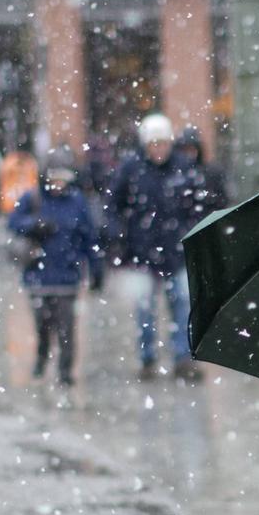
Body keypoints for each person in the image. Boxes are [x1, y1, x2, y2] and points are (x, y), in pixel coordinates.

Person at [111, 112, 196, 381]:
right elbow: (114, 206)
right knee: (145, 310)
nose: (159, 149)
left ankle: (182, 358)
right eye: (154, 144)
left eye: (163, 143)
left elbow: (196, 207)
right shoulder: (131, 169)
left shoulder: (183, 168)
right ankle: (147, 358)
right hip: (143, 253)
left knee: (181, 306)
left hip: (176, 252)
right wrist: (120, 237)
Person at [7, 164, 103, 395]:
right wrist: (34, 225)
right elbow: (13, 223)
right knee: (42, 325)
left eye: (63, 180)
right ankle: (41, 361)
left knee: (66, 328)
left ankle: (65, 372)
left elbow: (89, 237)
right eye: (54, 179)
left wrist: (96, 270)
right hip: (38, 276)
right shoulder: (33, 198)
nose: (58, 185)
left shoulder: (77, 202)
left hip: (67, 277)